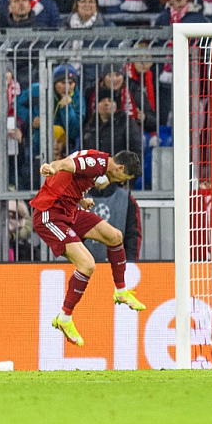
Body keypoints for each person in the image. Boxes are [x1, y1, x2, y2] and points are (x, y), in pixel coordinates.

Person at [30, 149, 144, 347]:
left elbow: (72, 177)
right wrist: (51, 167)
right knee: (87, 264)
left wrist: (81, 199)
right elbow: (65, 164)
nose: (122, 182)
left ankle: (121, 291)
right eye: (125, 177)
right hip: (50, 213)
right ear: (120, 168)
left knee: (115, 236)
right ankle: (64, 318)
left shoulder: (99, 163)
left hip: (70, 210)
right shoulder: (96, 164)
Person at [85, 180, 142, 263]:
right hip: (79, 266)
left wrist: (129, 264)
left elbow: (133, 236)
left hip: (118, 266)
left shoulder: (126, 199)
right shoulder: (76, 198)